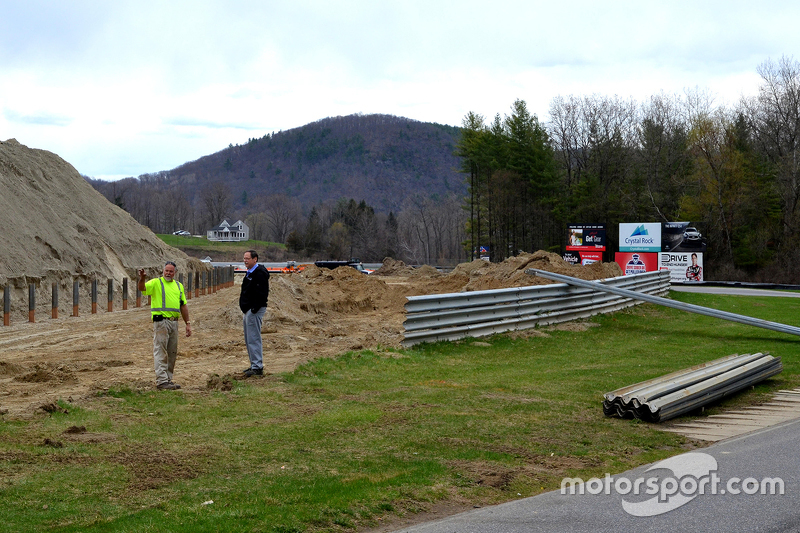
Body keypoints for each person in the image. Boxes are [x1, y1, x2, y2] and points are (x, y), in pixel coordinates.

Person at [138, 261, 192, 390]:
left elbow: (183, 305)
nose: (168, 273)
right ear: (163, 271)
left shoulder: (179, 286)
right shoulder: (156, 283)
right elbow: (142, 288)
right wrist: (142, 278)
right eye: (166, 270)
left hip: (174, 322)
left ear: (175, 273)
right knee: (161, 351)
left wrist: (188, 323)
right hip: (161, 322)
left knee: (172, 352)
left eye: (171, 271)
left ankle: (168, 379)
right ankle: (162, 381)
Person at [239, 250, 270, 377]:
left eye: (247, 258)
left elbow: (262, 293)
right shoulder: (250, 272)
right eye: (244, 258)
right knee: (249, 338)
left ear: (255, 259)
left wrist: (254, 309)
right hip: (249, 310)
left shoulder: (259, 273)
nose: (245, 260)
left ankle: (257, 367)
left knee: (254, 338)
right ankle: (254, 365)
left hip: (254, 310)